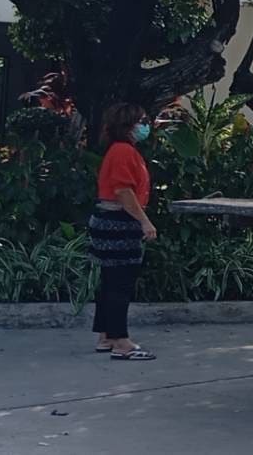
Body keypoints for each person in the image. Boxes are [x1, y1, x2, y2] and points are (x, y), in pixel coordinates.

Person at [89, 103, 157, 360]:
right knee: (120, 282)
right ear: (128, 125)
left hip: (110, 220)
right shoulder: (123, 152)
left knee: (110, 281)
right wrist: (144, 221)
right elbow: (124, 191)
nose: (146, 125)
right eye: (142, 121)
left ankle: (106, 335)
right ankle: (121, 341)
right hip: (119, 222)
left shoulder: (119, 150)